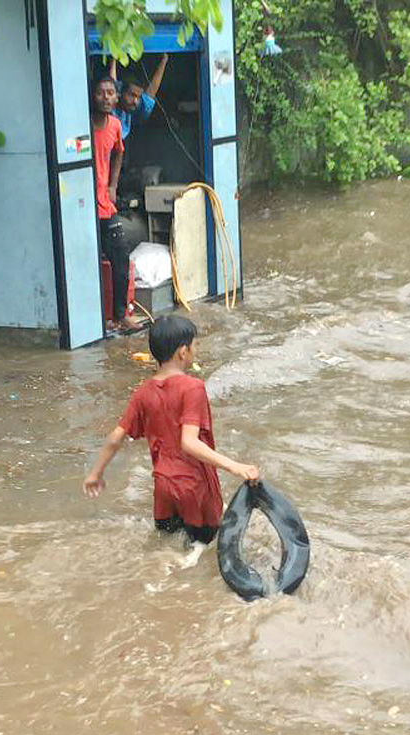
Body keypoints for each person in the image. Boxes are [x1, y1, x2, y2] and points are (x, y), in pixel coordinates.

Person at [83, 315, 260, 546]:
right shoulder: (193, 388)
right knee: (206, 546)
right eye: (195, 345)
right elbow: (189, 442)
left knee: (167, 546)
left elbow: (116, 437)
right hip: (194, 486)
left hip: (163, 486)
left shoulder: (143, 392)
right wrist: (235, 466)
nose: (197, 349)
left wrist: (95, 474)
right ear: (183, 352)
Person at [91, 74, 142, 332]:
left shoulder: (114, 125)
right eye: (101, 93)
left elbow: (118, 153)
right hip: (83, 205)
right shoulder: (83, 125)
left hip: (104, 202)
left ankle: (120, 314)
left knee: (120, 255)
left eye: (110, 93)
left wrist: (112, 185)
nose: (106, 98)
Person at [108, 54, 168, 139]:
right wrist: (114, 58)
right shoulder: (110, 103)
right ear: (120, 92)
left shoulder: (131, 109)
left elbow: (151, 93)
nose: (135, 101)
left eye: (138, 97)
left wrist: (164, 61)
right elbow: (112, 85)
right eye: (132, 95)